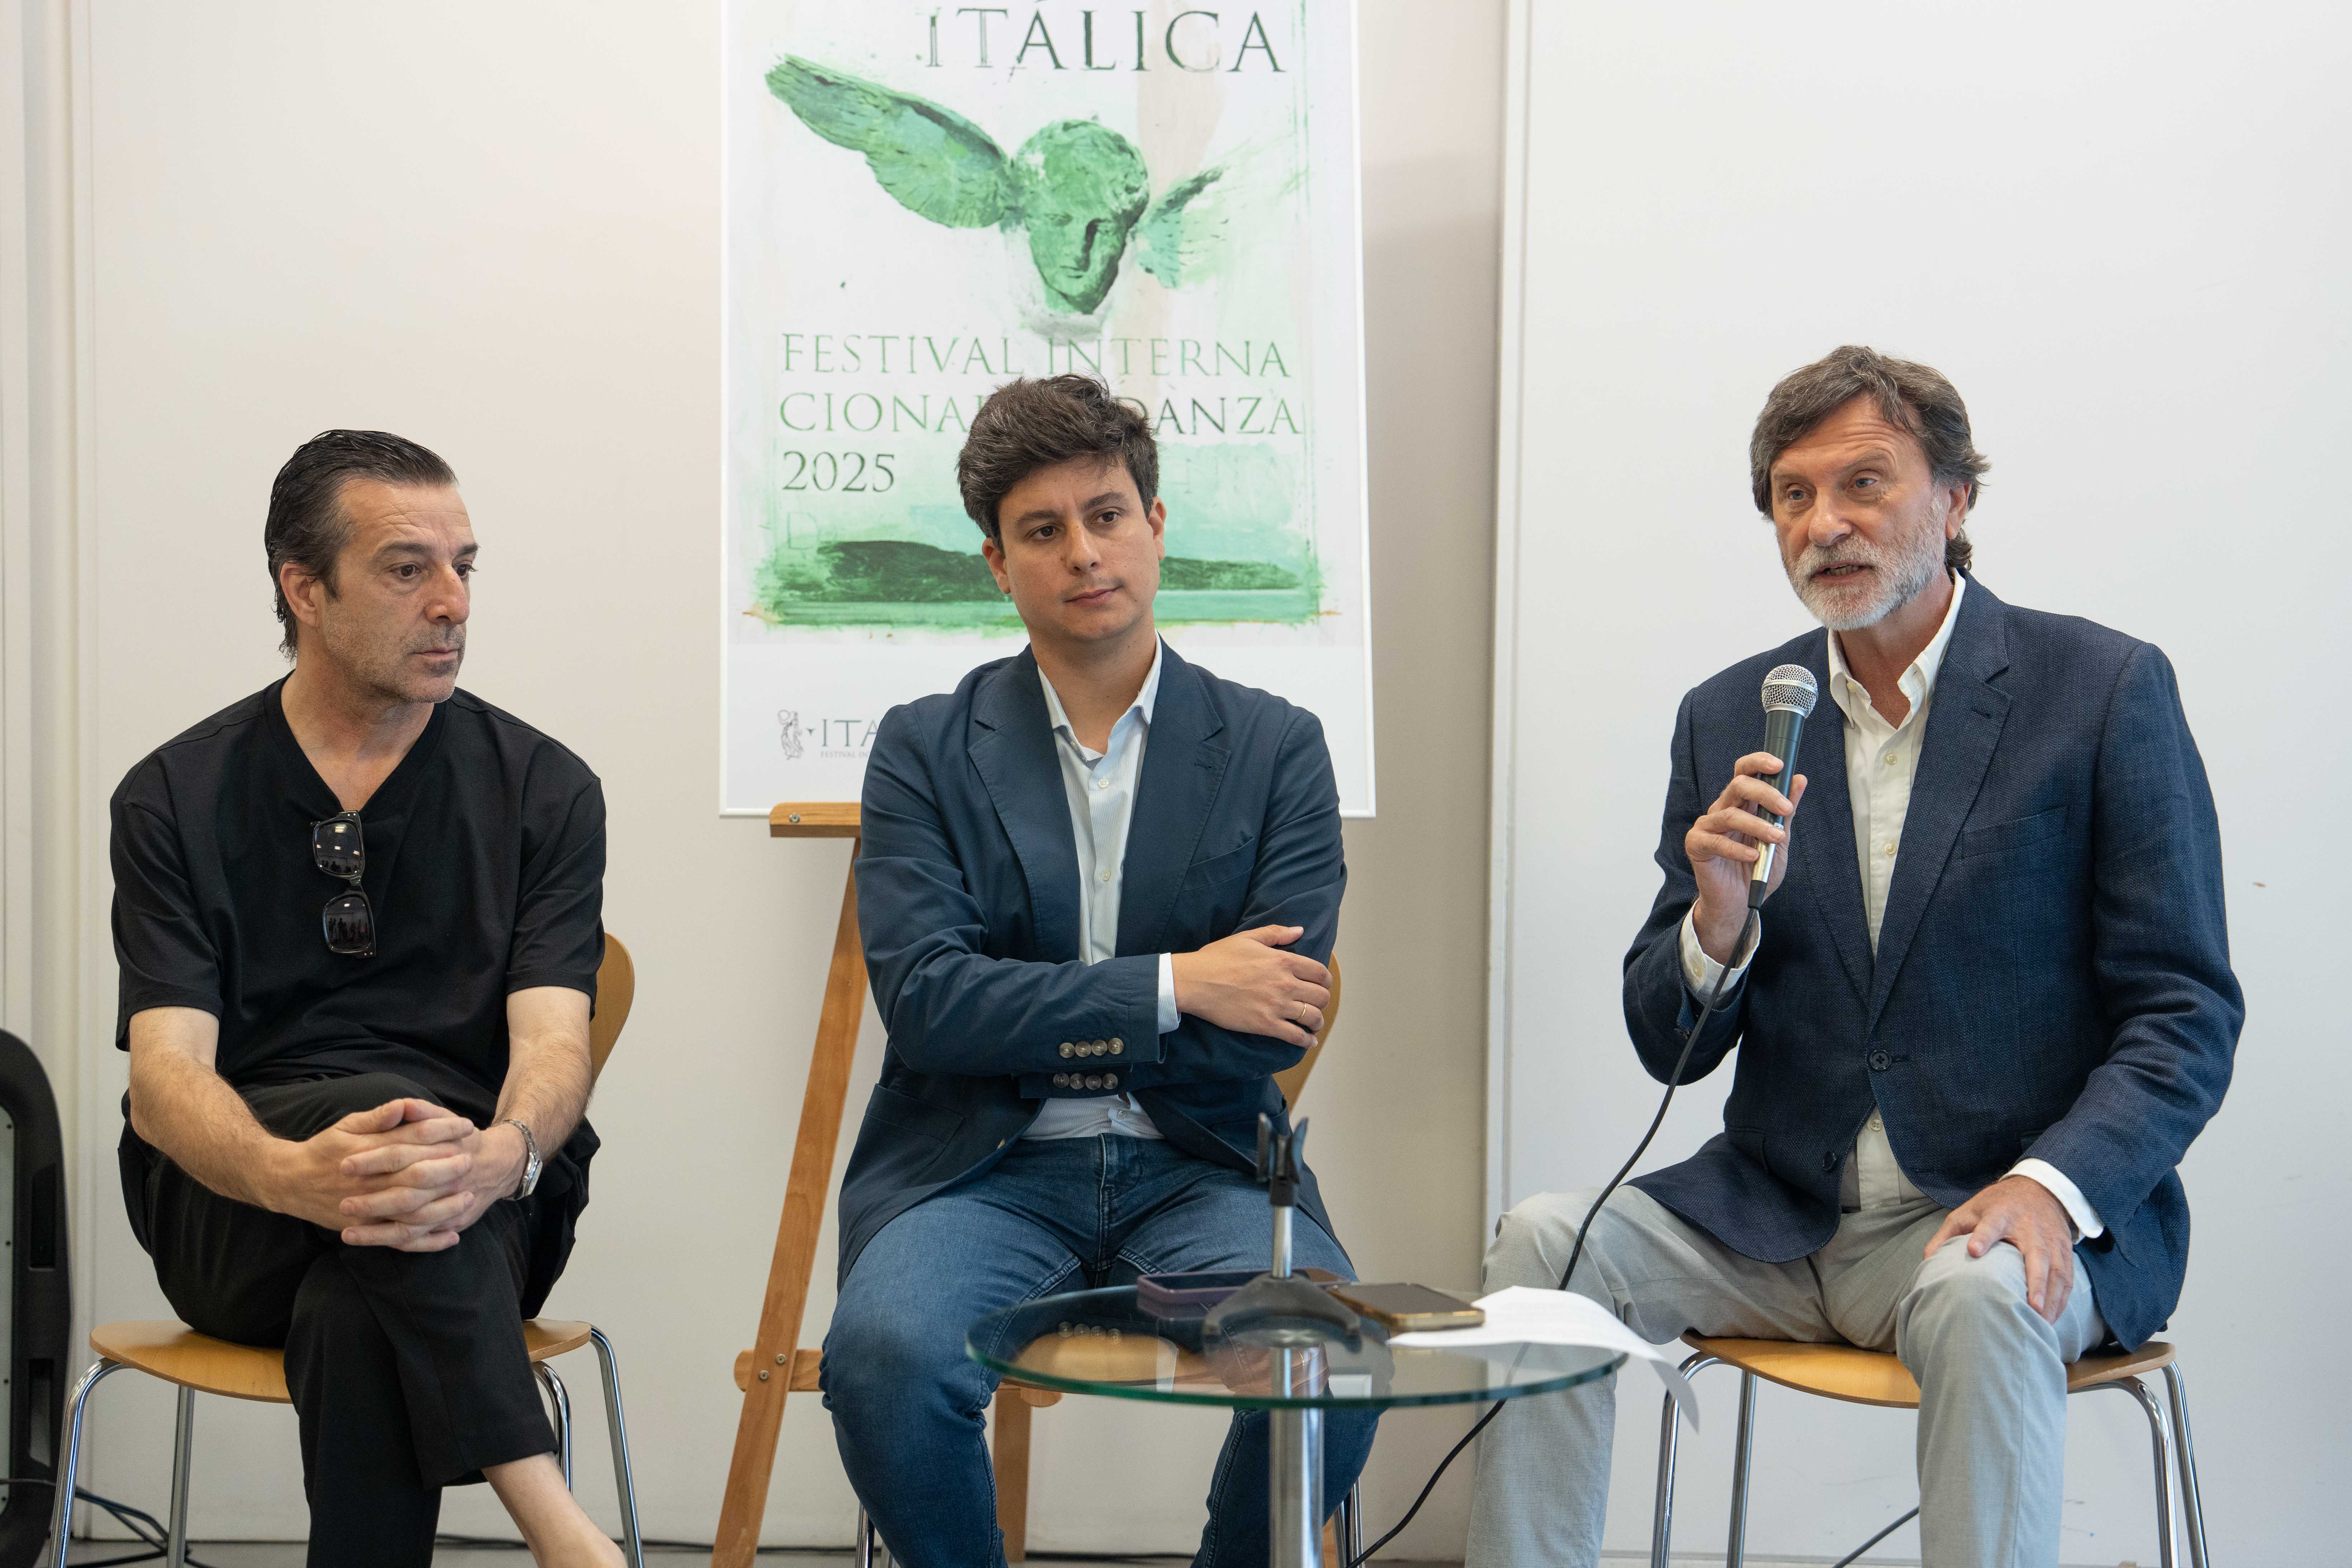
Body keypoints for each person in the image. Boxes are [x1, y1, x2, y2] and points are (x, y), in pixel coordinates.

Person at [1468, 347, 2241, 1568]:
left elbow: (2183, 1011)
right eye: (1790, 495)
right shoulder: (1731, 714)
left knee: (1987, 1294)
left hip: (1992, 1216)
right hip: (1774, 1220)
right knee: (1542, 1244)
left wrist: (2050, 1184)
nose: (1822, 524)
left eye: (1864, 485)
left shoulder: (2097, 690)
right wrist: (1714, 920)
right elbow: (1665, 1043)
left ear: (1955, 499)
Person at [821, 374, 1377, 1567]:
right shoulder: (923, 749)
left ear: (1157, 525)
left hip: (1204, 1165)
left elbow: (1267, 1028)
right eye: (1041, 530)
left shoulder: (1277, 749)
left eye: (1107, 514)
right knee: (886, 1355)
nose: (1083, 552)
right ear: (996, 563)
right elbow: (928, 1010)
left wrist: (1034, 1005)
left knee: (1330, 1356)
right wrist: (1177, 985)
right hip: (974, 1172)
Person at [109, 432, 620, 1568]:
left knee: (362, 1288)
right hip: (236, 1208)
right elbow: (166, 1080)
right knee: (389, 1124)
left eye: (465, 568)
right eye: (407, 569)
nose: (452, 603)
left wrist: (501, 1155)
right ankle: (560, 1526)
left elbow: (552, 1043)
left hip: (481, 1202)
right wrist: (293, 1176)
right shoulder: (174, 796)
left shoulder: (542, 789)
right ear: (304, 588)